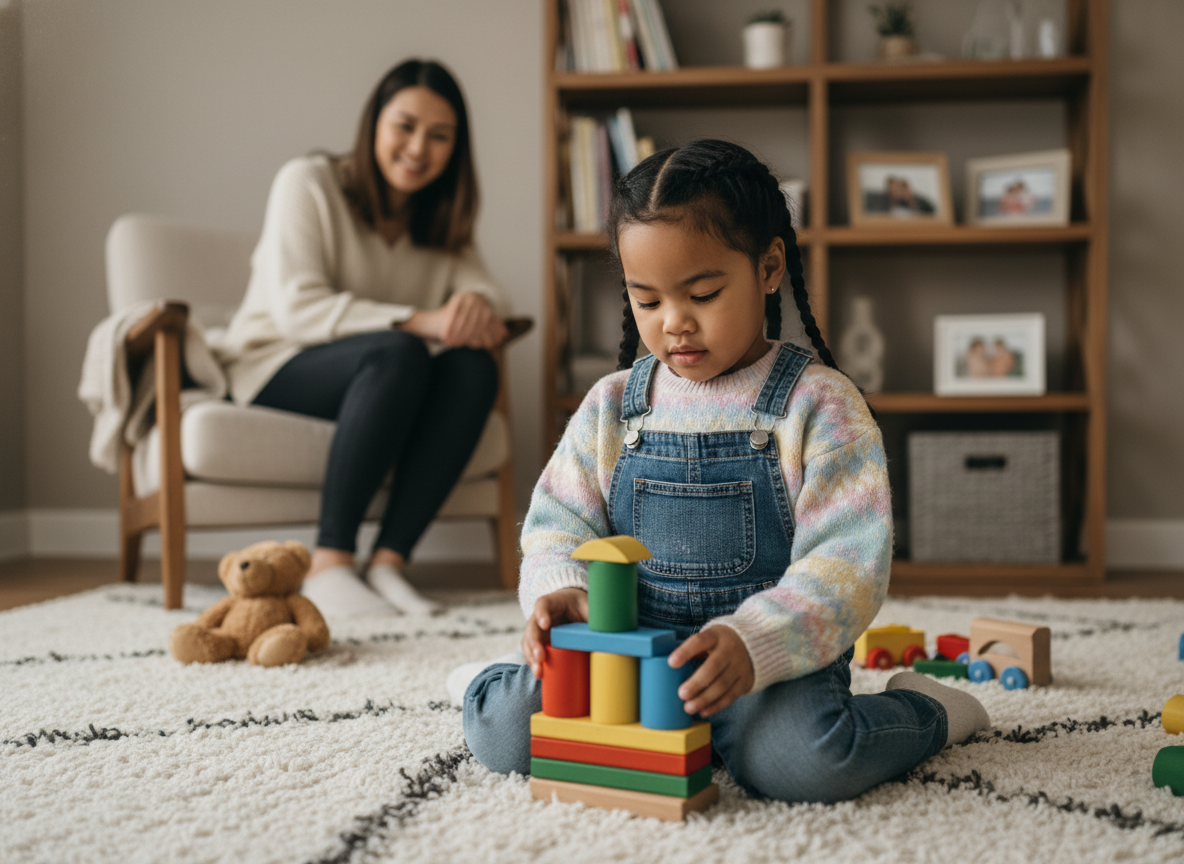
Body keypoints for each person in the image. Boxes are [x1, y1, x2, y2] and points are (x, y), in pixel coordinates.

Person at [449, 140, 988, 804]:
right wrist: (562, 589)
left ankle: (930, 711)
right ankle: (494, 680)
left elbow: (848, 563)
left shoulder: (820, 405)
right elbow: (556, 523)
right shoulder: (613, 406)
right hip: (626, 662)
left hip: (769, 666)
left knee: (805, 763)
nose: (674, 323)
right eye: (645, 300)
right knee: (505, 732)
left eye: (702, 293)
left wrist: (753, 640)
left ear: (767, 268)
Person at [219, 59, 510, 618]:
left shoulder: (440, 220)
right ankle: (330, 562)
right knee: (398, 351)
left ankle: (389, 562)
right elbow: (297, 309)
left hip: (379, 376)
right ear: (374, 123)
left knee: (473, 366)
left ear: (456, 148)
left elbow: (491, 296)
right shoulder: (308, 182)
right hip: (274, 361)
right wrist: (421, 320)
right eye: (404, 125)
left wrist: (477, 303)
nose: (419, 147)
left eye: (439, 135)